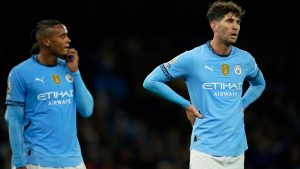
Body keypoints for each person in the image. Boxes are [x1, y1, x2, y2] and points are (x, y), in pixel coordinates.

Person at [143, 1, 266, 169]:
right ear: (214, 25)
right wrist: (186, 104)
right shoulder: (193, 58)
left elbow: (259, 84)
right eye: (229, 21)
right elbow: (151, 81)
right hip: (205, 152)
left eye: (238, 22)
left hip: (237, 151)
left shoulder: (245, 59)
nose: (235, 26)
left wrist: (243, 103)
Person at [4, 19, 94, 169]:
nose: (68, 40)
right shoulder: (19, 73)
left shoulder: (69, 68)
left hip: (75, 161)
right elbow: (14, 120)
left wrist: (76, 72)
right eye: (62, 36)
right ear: (46, 41)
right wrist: (19, 163)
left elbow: (87, 111)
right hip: (37, 161)